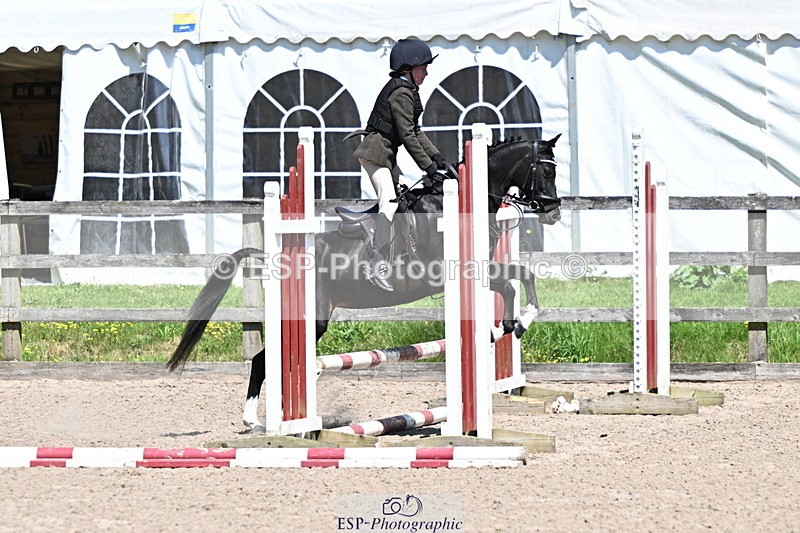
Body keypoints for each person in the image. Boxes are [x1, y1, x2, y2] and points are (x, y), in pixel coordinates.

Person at [346, 38, 450, 292]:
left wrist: (437, 157)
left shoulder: (408, 89)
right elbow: (407, 135)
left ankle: (396, 248)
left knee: (403, 199)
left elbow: (416, 130)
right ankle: (378, 265)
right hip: (375, 154)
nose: (426, 73)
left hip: (385, 155)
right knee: (390, 203)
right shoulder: (401, 93)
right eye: (423, 68)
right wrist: (427, 166)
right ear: (408, 68)